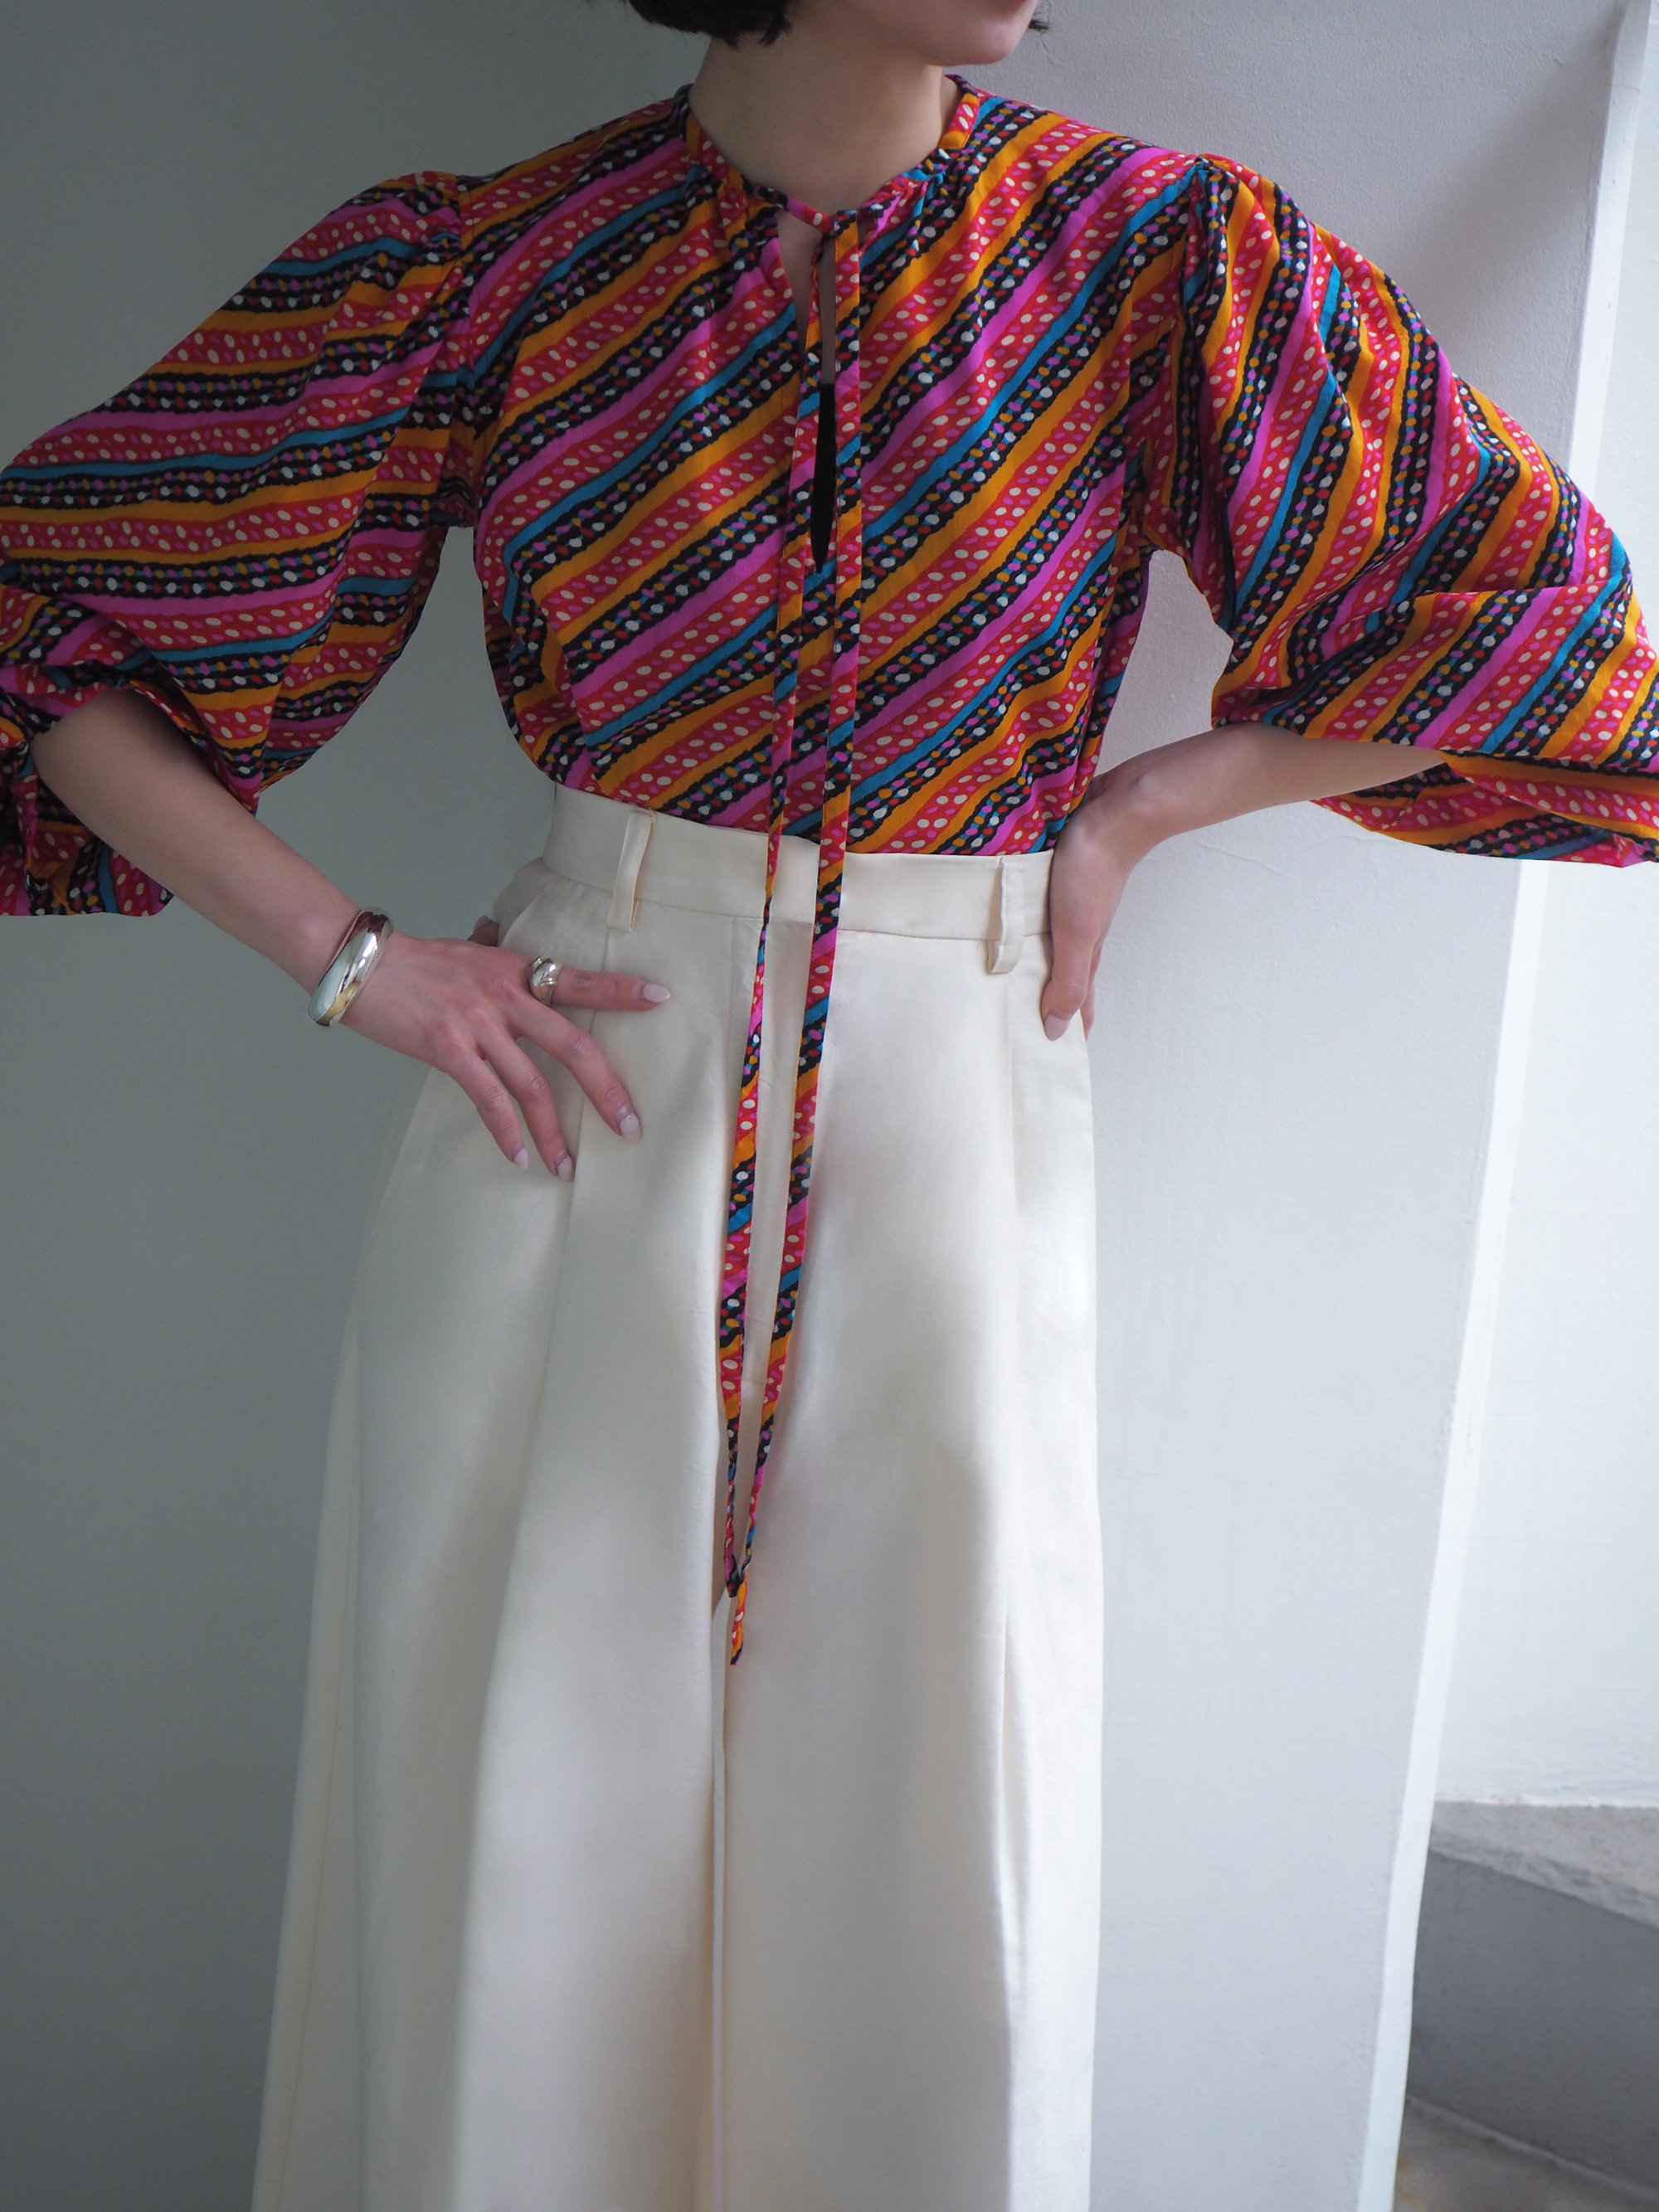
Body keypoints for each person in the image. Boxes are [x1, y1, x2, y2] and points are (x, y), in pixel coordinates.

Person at [3, 0, 1656, 2205]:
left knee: (926, 1828)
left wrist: (1145, 803)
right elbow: (41, 627)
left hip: (953, 1101)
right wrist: (353, 959)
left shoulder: (1160, 258)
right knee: (525, 1815)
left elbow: (1551, 631)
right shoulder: (498, 263)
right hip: (571, 1097)